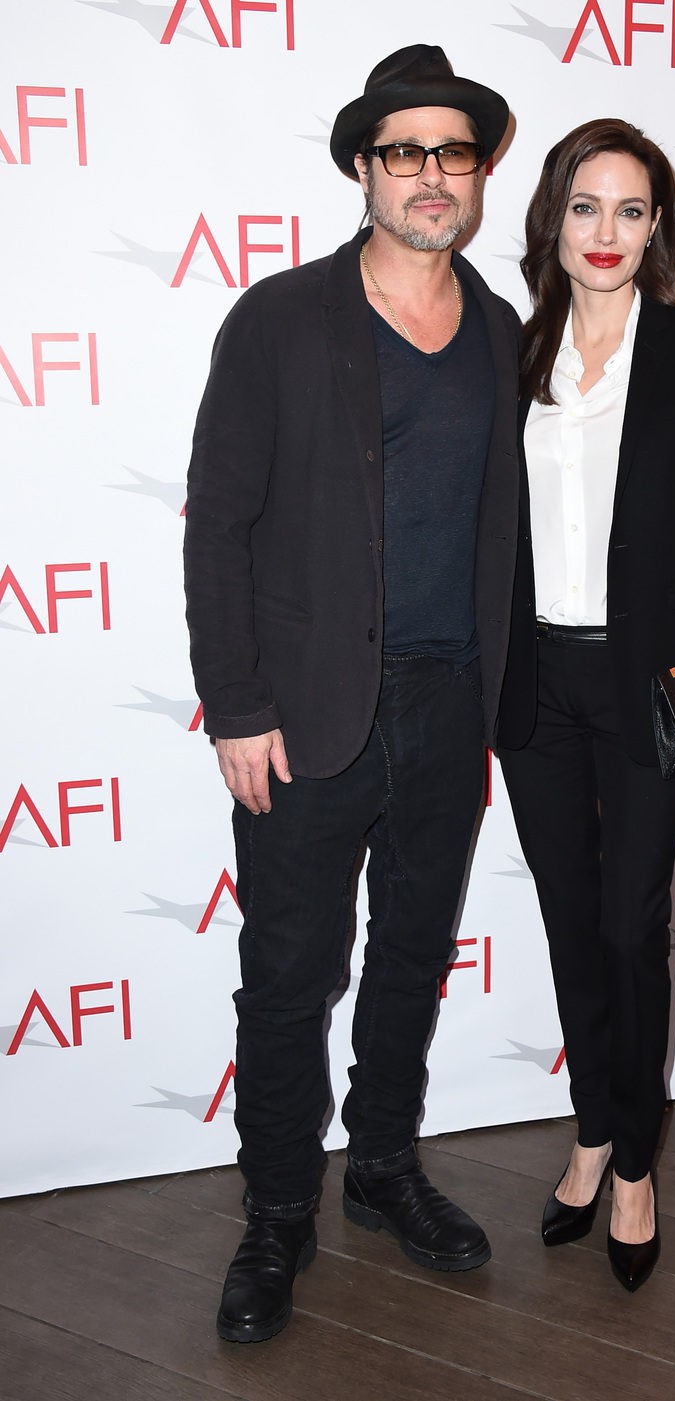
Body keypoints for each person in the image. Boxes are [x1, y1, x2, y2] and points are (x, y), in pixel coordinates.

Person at [183, 45, 519, 1342]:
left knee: (414, 956)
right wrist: (235, 704)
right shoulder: (279, 320)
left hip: (452, 705)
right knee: (287, 974)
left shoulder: (501, 327)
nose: (430, 175)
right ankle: (277, 1213)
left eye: (453, 152)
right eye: (404, 151)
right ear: (364, 169)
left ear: (478, 172)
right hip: (308, 713)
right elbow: (222, 524)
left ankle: (381, 1168)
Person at [496, 119, 675, 1292]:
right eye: (582, 207)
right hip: (532, 685)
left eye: (628, 210)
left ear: (656, 226)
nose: (603, 233)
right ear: (551, 221)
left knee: (629, 928)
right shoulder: (506, 355)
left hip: (651, 684)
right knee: (568, 924)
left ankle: (632, 1167)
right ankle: (590, 1128)